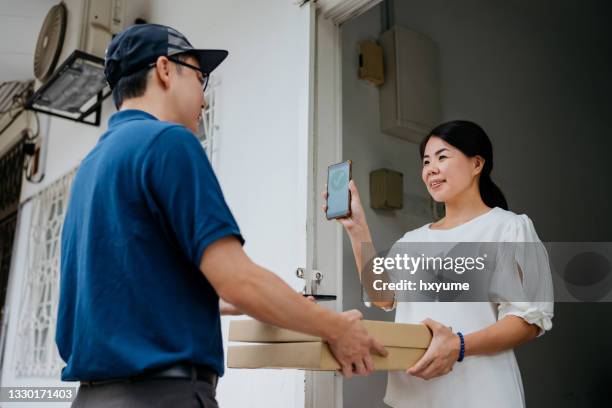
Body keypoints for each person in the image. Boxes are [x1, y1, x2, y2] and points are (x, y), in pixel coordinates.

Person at [56, 23, 387, 408]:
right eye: (201, 77)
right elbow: (238, 281)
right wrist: (336, 328)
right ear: (165, 69)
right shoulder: (169, 142)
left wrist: (285, 304)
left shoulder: (91, 168)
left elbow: (137, 293)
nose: (205, 98)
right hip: (164, 397)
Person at [322, 120, 554, 407]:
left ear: (477, 163)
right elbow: (383, 297)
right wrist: (357, 229)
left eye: (442, 157)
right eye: (426, 161)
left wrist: (458, 345)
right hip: (413, 396)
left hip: (481, 395)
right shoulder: (410, 241)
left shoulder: (508, 228)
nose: (431, 168)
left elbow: (527, 320)